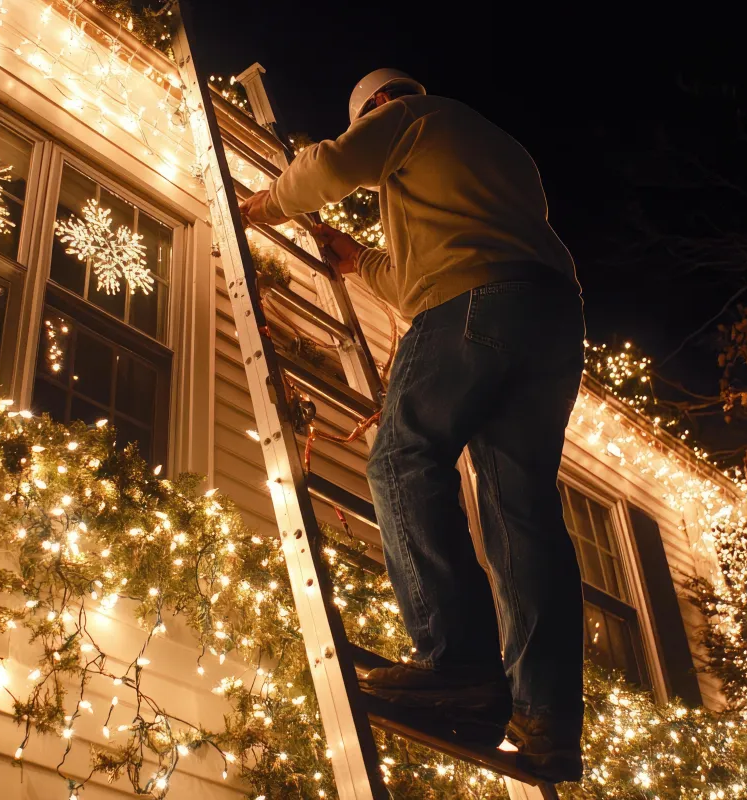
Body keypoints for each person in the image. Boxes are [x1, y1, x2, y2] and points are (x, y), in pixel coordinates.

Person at [238, 68, 586, 784]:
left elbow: (333, 164)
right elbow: (435, 266)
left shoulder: (412, 115)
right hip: (551, 322)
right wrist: (361, 261)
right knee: (522, 513)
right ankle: (546, 718)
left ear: (380, 106)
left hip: (473, 304)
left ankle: (457, 664)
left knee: (401, 461)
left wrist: (267, 203)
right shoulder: (500, 157)